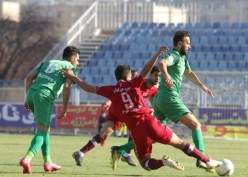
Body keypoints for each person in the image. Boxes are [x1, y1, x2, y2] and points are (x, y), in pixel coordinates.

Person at [61, 45, 222, 174]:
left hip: (137, 130)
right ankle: (207, 160)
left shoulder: (111, 90)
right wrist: (157, 54)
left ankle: (162, 162)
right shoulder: (135, 83)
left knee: (145, 163)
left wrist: (72, 76)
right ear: (129, 76)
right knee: (180, 143)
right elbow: (145, 70)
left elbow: (88, 88)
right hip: (151, 121)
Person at [153, 30, 214, 172]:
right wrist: (167, 76)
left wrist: (202, 86)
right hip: (169, 97)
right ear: (179, 43)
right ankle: (202, 157)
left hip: (160, 99)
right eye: (188, 43)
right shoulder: (174, 55)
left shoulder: (182, 58)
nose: (190, 46)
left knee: (154, 136)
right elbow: (162, 63)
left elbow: (189, 73)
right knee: (195, 125)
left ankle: (122, 150)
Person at [19, 46, 80, 174]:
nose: (78, 63)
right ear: (72, 58)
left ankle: (48, 162)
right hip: (44, 96)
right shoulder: (70, 69)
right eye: (77, 59)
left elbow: (29, 77)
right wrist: (65, 107)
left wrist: (27, 97)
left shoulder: (48, 63)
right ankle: (27, 158)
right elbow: (67, 86)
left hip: (31, 93)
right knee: (42, 131)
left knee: (45, 129)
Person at [110, 66, 160, 167]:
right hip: (125, 110)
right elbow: (122, 92)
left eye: (159, 76)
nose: (158, 78)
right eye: (155, 75)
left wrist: (154, 110)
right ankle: (124, 151)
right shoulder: (139, 84)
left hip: (135, 112)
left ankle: (123, 151)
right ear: (150, 75)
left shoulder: (154, 89)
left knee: (144, 135)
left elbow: (152, 99)